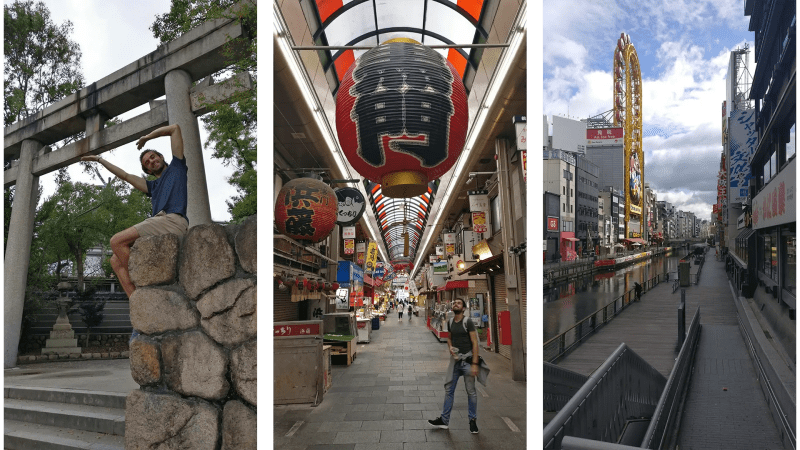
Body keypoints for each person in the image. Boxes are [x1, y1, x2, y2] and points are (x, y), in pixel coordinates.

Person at [81, 124, 188, 299]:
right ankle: (138, 301)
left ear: (160, 157)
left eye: (153, 157)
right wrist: (100, 160)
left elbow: (175, 128)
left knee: (116, 241)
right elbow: (124, 175)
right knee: (115, 260)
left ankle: (145, 281)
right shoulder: (151, 186)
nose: (152, 161)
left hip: (173, 221)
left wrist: (147, 137)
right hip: (159, 225)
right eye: (147, 163)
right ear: (148, 171)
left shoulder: (177, 168)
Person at [428, 298, 481, 434]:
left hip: (468, 360)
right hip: (455, 360)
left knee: (471, 391)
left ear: (463, 308)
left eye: (458, 303)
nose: (455, 304)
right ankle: (444, 420)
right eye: (454, 303)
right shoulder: (451, 321)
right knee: (449, 389)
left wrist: (475, 363)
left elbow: (475, 343)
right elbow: (449, 338)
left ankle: (472, 421)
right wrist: (450, 347)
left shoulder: (467, 321)